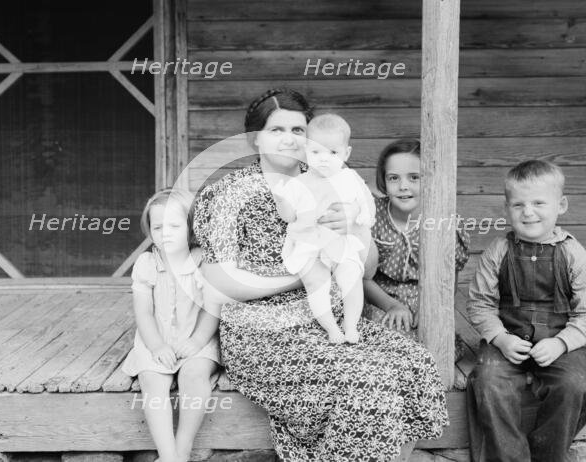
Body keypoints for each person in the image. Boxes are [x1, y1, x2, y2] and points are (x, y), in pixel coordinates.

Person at [191, 88, 449, 462]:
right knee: (365, 384)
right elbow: (216, 280)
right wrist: (304, 274)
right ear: (254, 138)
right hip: (262, 332)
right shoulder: (229, 194)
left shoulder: (335, 181)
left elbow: (368, 269)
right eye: (276, 129)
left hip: (333, 321)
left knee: (414, 364)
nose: (289, 139)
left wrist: (355, 231)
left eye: (298, 130)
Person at [465, 160, 586, 462]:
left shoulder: (573, 253)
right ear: (507, 209)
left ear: (561, 205)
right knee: (487, 380)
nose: (527, 212)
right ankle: (510, 457)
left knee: (575, 384)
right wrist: (500, 339)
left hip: (559, 340)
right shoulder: (498, 250)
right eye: (518, 204)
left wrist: (561, 343)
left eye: (538, 203)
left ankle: (548, 453)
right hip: (509, 338)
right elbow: (480, 303)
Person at [121, 189, 221, 462]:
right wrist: (156, 345)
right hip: (157, 337)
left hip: (197, 335)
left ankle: (183, 450)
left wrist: (198, 341)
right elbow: (143, 313)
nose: (165, 232)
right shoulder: (147, 262)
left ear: (189, 227)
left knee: (194, 375)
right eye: (158, 226)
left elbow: (213, 307)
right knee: (152, 381)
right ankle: (168, 457)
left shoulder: (202, 260)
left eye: (174, 226)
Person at [272, 113, 377, 344]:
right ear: (306, 151)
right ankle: (331, 328)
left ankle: (351, 325)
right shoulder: (298, 184)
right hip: (309, 244)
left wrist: (356, 213)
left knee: (351, 275)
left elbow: (368, 208)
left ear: (346, 153)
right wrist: (281, 201)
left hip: (340, 241)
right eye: (316, 152)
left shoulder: (350, 178)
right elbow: (289, 217)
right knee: (315, 282)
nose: (323, 159)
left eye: (333, 152)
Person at [363, 139, 470, 339]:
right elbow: (361, 276)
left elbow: (449, 276)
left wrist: (432, 307)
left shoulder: (444, 220)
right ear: (383, 180)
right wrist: (392, 305)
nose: (403, 186)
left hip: (427, 297)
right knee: (385, 338)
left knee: (436, 342)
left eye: (414, 177)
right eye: (394, 178)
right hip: (380, 298)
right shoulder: (371, 215)